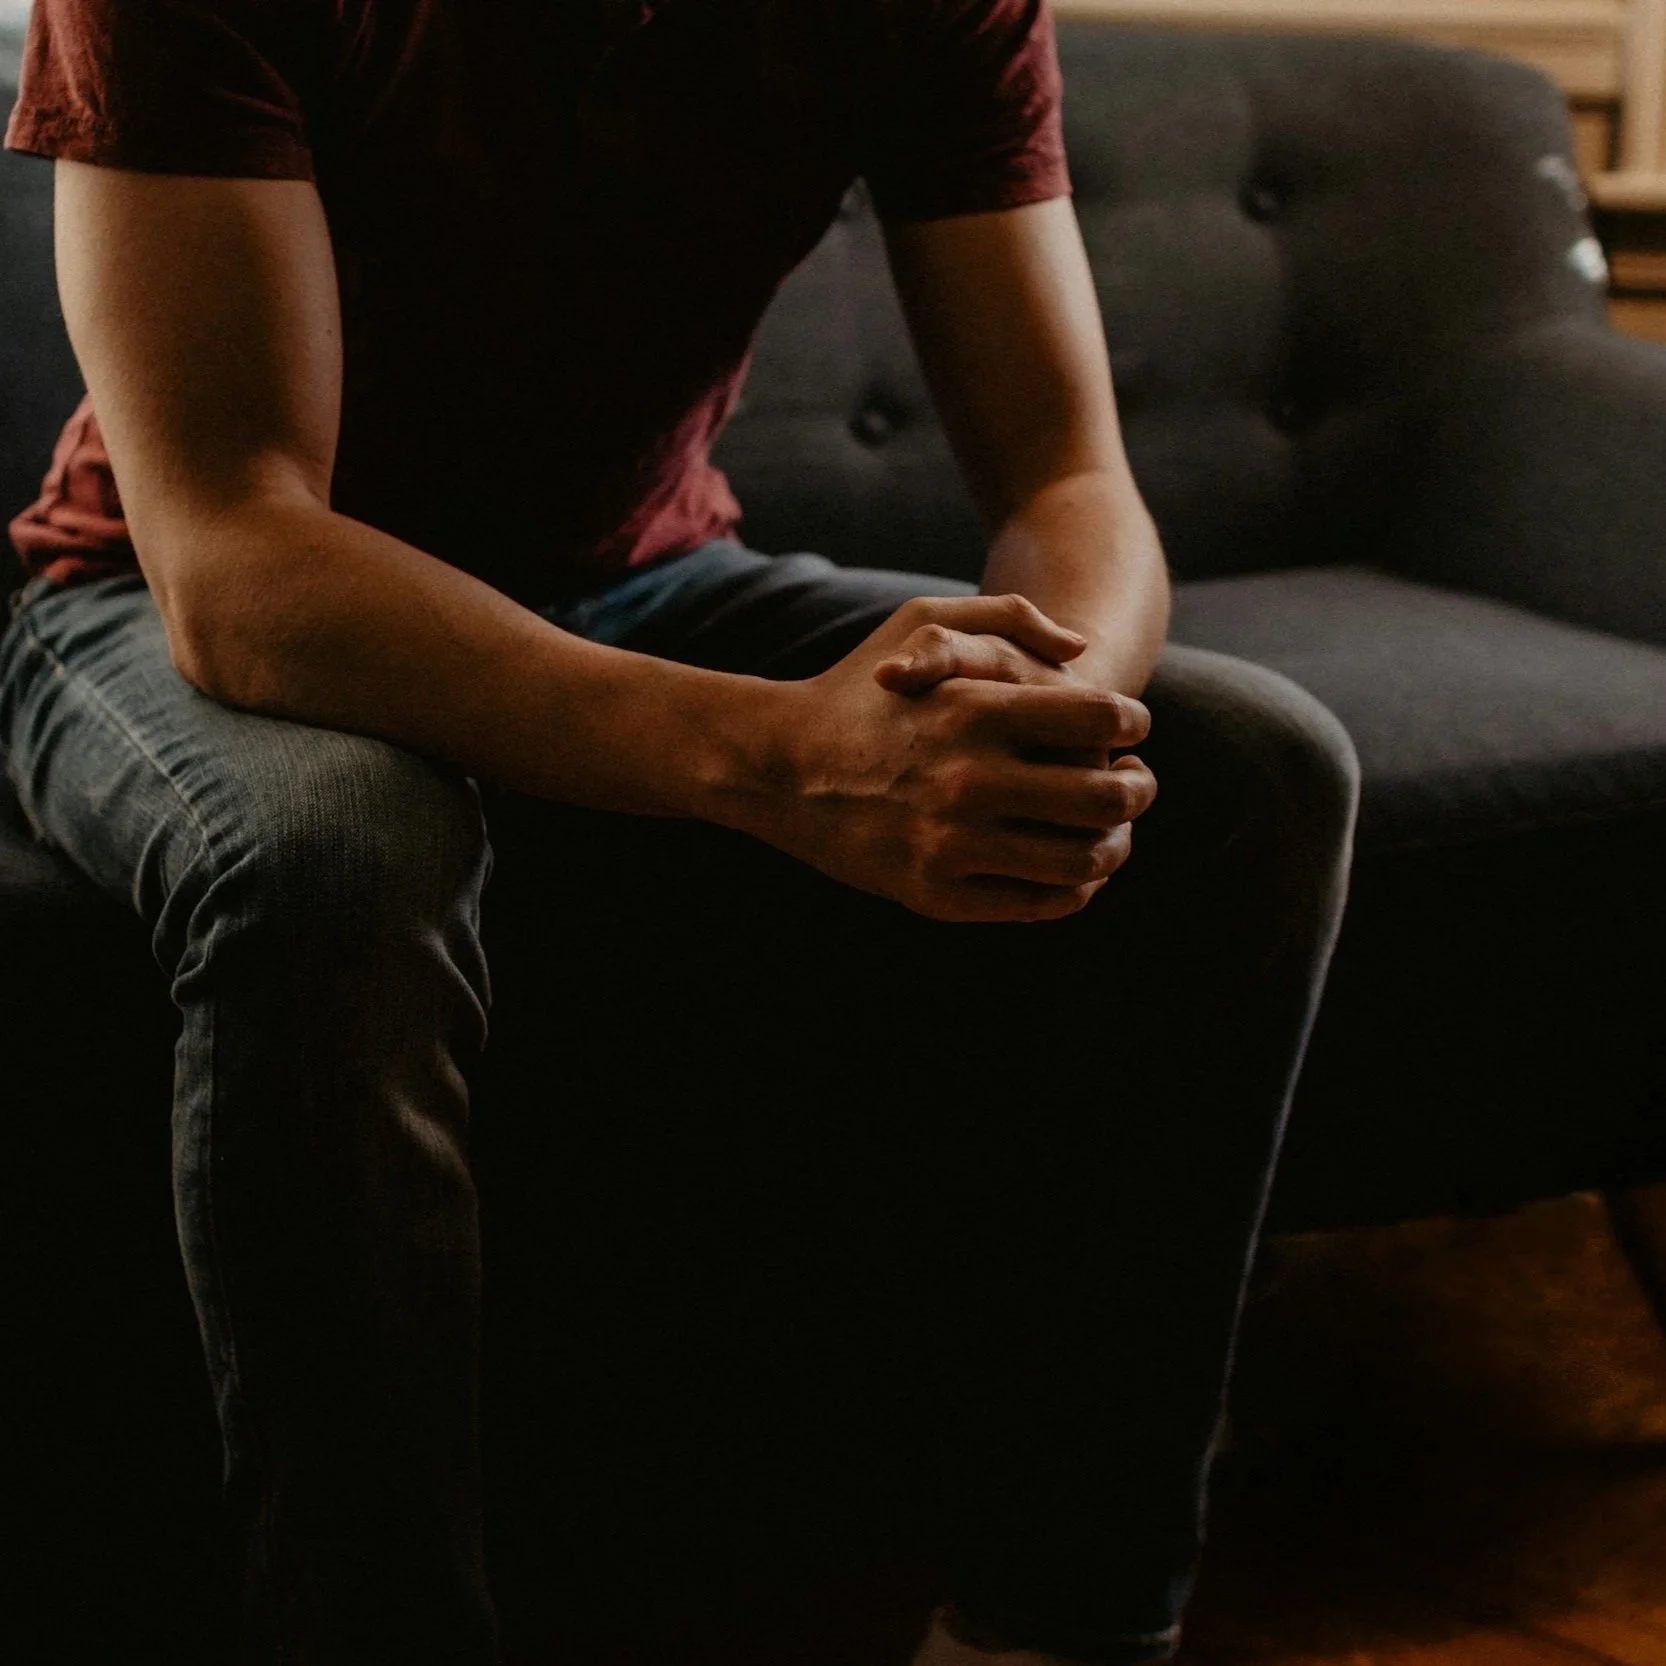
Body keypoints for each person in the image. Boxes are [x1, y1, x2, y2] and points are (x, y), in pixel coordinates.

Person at [0, 2, 1359, 1662]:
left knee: (1255, 774)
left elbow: (1075, 480)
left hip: (647, 578)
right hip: (167, 596)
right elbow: (234, 558)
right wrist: (789, 761)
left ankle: (1061, 1623)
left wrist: (1035, 722)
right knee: (339, 860)